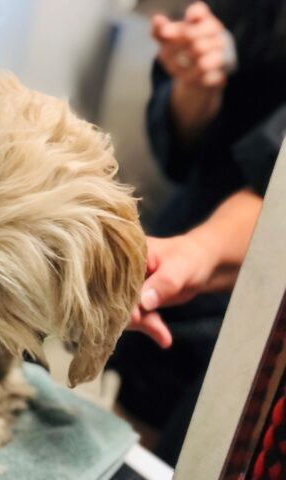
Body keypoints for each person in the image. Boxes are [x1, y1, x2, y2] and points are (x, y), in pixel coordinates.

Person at [108, 0, 286, 465]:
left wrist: (201, 251)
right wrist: (196, 86)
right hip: (184, 243)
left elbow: (277, 181)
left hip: (246, 278)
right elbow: (177, 152)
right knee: (139, 440)